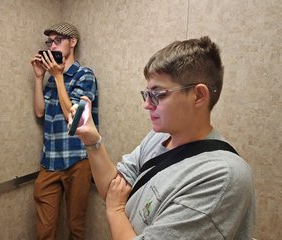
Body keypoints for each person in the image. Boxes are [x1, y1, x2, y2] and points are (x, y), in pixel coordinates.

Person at [69, 36, 255, 239]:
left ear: (199, 96)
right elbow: (114, 190)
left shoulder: (221, 177)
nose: (147, 105)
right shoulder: (157, 138)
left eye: (158, 94)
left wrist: (115, 211)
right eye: (147, 94)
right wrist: (92, 141)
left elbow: (116, 202)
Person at [30, 22, 98, 240]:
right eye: (49, 42)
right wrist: (40, 77)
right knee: (45, 231)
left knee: (76, 229)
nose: (52, 46)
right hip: (49, 160)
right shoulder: (51, 79)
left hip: (77, 159)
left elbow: (73, 116)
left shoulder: (84, 75)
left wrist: (59, 77)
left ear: (73, 42)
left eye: (57, 41)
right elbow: (40, 112)